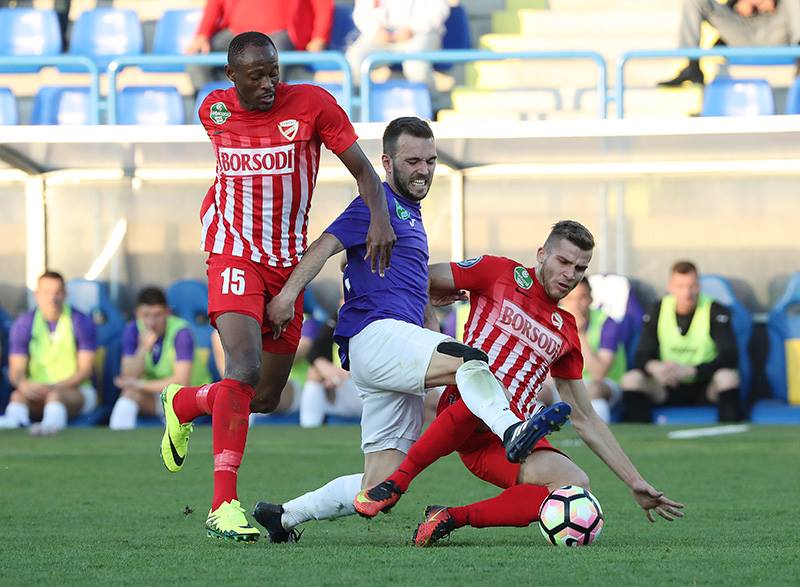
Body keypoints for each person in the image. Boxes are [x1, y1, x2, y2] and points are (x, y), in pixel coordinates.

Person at [250, 117, 569, 544]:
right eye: (413, 160)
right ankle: (512, 430)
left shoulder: (413, 220)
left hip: (392, 352)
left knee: (378, 485)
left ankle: (284, 517)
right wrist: (288, 296)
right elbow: (325, 247)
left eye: (431, 161)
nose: (424, 170)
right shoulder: (374, 202)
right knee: (470, 358)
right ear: (386, 162)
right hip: (375, 336)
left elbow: (419, 303)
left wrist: (435, 328)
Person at [158, 31, 396, 543]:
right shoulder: (214, 112)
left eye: (274, 71)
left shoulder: (311, 105)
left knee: (263, 397)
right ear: (230, 77)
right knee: (240, 370)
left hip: (288, 268)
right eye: (256, 75)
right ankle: (223, 505)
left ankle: (183, 404)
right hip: (232, 254)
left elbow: (364, 170)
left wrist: (379, 215)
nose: (269, 83)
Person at [353, 222, 684, 546]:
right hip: (464, 411)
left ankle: (450, 517)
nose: (571, 274)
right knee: (489, 385)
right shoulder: (498, 272)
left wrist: (634, 480)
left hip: (508, 441)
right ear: (542, 254)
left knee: (575, 484)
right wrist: (426, 314)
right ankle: (397, 482)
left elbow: (584, 417)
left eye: (580, 268)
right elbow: (416, 277)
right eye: (564, 262)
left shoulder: (566, 331)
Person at [621, 260, 741, 422]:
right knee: (631, 379)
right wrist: (657, 368)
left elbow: (729, 357)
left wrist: (691, 370)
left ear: (699, 286)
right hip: (667, 384)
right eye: (680, 286)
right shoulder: (657, 309)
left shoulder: (715, 310)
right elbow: (641, 355)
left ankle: (730, 429)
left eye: (691, 286)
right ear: (670, 287)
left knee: (728, 377)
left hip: (704, 384)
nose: (687, 293)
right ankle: (640, 433)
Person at [0, 271, 97, 435]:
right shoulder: (23, 324)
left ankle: (50, 434)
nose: (52, 298)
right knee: (17, 396)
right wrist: (24, 385)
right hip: (38, 391)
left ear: (65, 294)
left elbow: (85, 371)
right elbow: (16, 371)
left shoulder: (81, 322)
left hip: (77, 391)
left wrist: (53, 387)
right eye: (46, 292)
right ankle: (16, 435)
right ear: (37, 295)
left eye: (57, 292)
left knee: (55, 396)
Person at [108, 287, 212, 430]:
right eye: (146, 315)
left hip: (191, 397)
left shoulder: (181, 333)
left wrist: (139, 384)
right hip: (160, 395)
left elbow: (181, 382)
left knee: (134, 391)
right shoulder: (132, 329)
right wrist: (143, 349)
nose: (151, 322)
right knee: (129, 394)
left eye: (157, 315)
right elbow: (128, 375)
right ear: (137, 314)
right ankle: (117, 443)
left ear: (167, 312)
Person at [186, 0, 334, 90]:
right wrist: (202, 34)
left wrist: (319, 37)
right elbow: (215, 4)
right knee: (197, 62)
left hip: (280, 34)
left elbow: (322, 4)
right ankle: (219, 114)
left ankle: (270, 118)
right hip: (234, 33)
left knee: (271, 64)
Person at [659, 0, 800, 86]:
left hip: (776, 27)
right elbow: (728, 6)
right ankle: (692, 65)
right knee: (696, 1)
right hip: (742, 28)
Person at [558, 277, 627, 423]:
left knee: (593, 390)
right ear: (562, 300)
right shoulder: (554, 320)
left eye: (581, 298)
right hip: (565, 383)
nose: (575, 305)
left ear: (590, 299)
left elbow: (598, 373)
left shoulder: (607, 323)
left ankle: (599, 437)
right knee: (539, 392)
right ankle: (533, 442)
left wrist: (580, 334)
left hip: (604, 384)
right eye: (570, 299)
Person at [346, 0, 451, 89]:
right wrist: (375, 30)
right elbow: (361, 13)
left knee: (416, 66)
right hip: (381, 34)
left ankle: (431, 107)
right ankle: (362, 107)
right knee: (353, 61)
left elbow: (439, 9)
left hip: (420, 32)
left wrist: (412, 28)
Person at [298, 312, 363, 428]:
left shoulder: (378, 317)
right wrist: (326, 369)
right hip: (342, 388)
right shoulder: (338, 317)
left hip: (372, 390)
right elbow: (316, 348)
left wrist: (349, 373)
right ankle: (309, 430)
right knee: (315, 372)